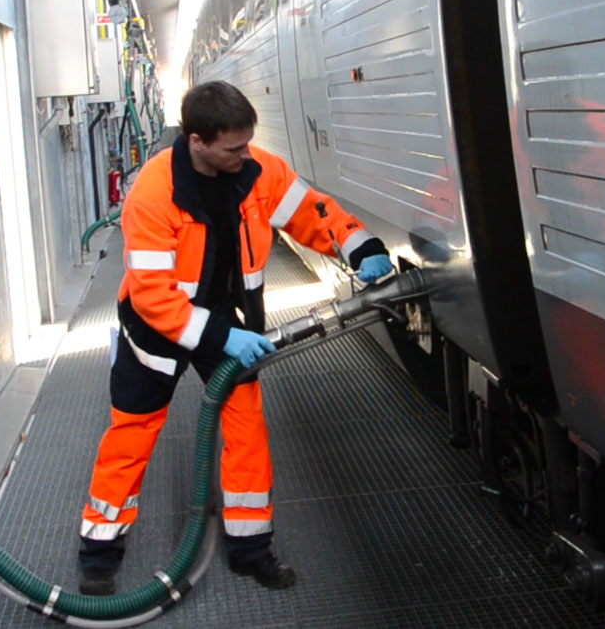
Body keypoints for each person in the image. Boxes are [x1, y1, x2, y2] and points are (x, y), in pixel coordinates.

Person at [78, 80, 393, 595]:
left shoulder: (256, 171)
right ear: (197, 141)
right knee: (132, 433)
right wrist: (220, 337)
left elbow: (312, 212)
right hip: (156, 328)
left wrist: (360, 248)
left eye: (248, 143)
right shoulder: (153, 194)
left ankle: (250, 548)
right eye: (234, 147)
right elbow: (154, 295)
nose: (246, 155)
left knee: (246, 431)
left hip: (225, 313)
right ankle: (99, 551)